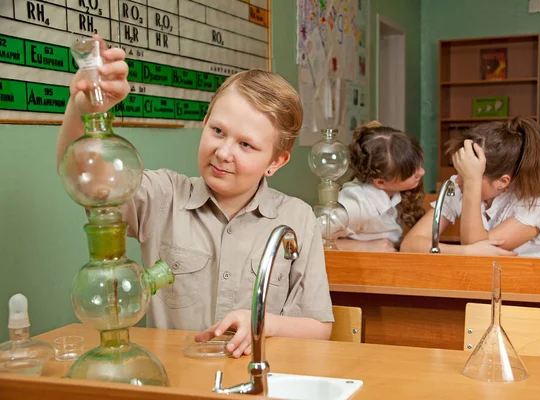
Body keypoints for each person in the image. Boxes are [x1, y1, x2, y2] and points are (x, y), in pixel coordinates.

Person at [56, 36, 334, 359]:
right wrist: (83, 110)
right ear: (204, 122)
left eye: (246, 145)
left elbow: (319, 327)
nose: (223, 152)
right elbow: (88, 181)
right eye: (217, 131)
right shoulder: (163, 196)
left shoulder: (298, 220)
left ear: (276, 161)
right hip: (175, 381)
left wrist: (261, 323)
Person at [401, 117, 540, 258]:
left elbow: (477, 249)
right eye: (459, 171)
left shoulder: (539, 202)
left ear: (502, 182)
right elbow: (410, 245)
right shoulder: (458, 185)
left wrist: (472, 181)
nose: (457, 181)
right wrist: (462, 251)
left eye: (466, 175)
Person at [335, 121, 426, 252]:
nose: (422, 172)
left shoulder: (395, 191)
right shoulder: (355, 205)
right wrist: (365, 247)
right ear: (380, 182)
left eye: (419, 165)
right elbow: (313, 240)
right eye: (411, 172)